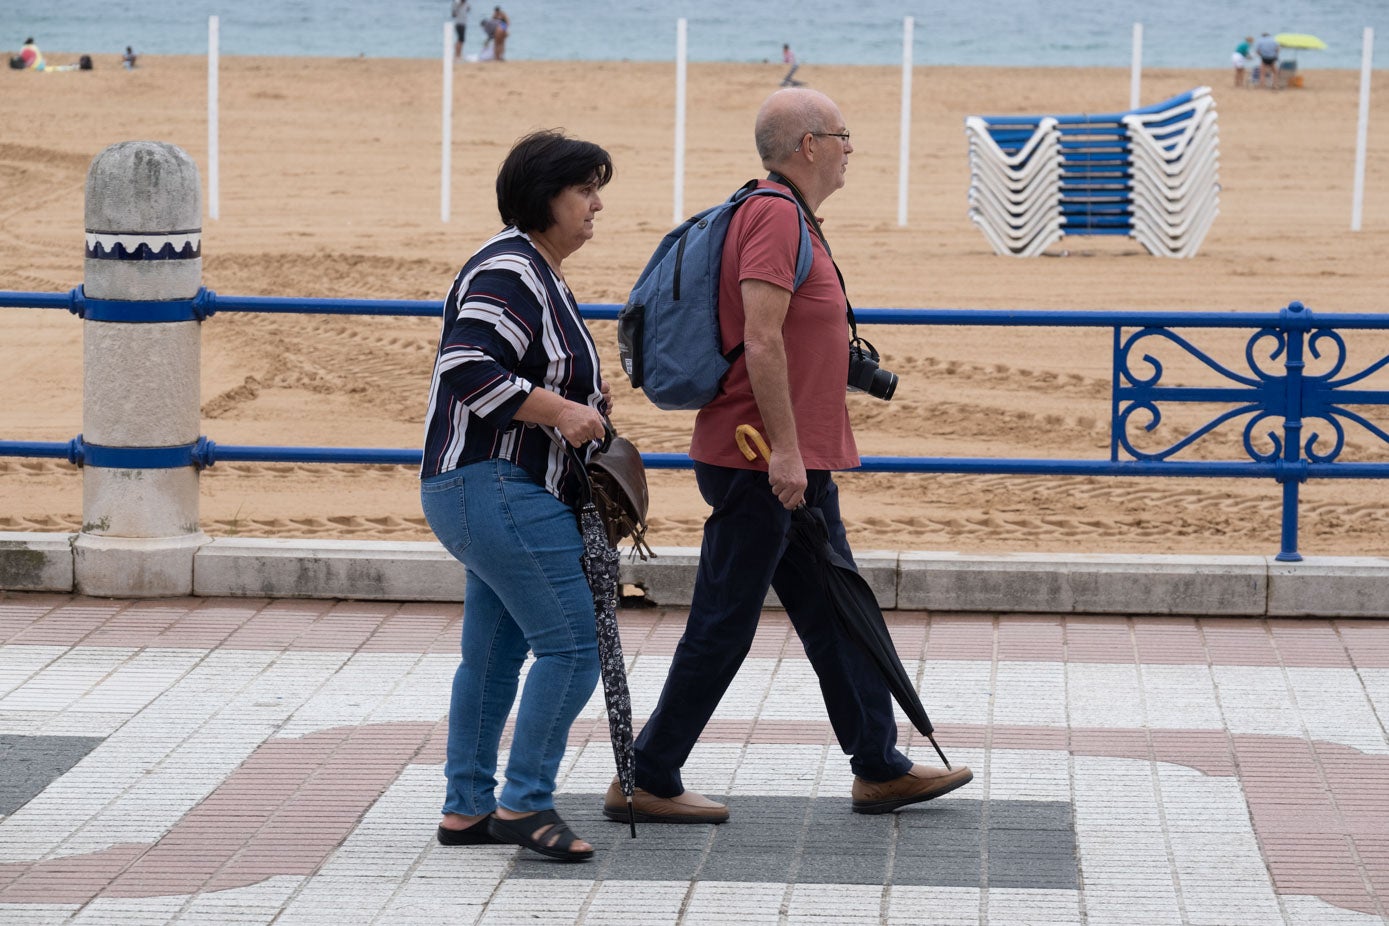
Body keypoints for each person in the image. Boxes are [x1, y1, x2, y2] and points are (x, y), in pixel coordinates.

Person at [605, 88, 973, 826]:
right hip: (761, 460)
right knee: (724, 620)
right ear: (808, 145)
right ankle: (646, 773)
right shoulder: (773, 215)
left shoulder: (784, 215)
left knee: (834, 608)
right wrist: (783, 453)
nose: (848, 149)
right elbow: (764, 336)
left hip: (788, 460)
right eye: (843, 135)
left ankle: (877, 764)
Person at [421, 129, 615, 862]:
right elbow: (465, 365)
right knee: (572, 647)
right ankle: (524, 802)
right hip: (497, 485)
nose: (596, 205)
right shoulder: (510, 270)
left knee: (494, 659)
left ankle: (466, 808)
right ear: (544, 199)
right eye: (583, 191)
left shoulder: (533, 269)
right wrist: (563, 411)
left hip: (484, 490)